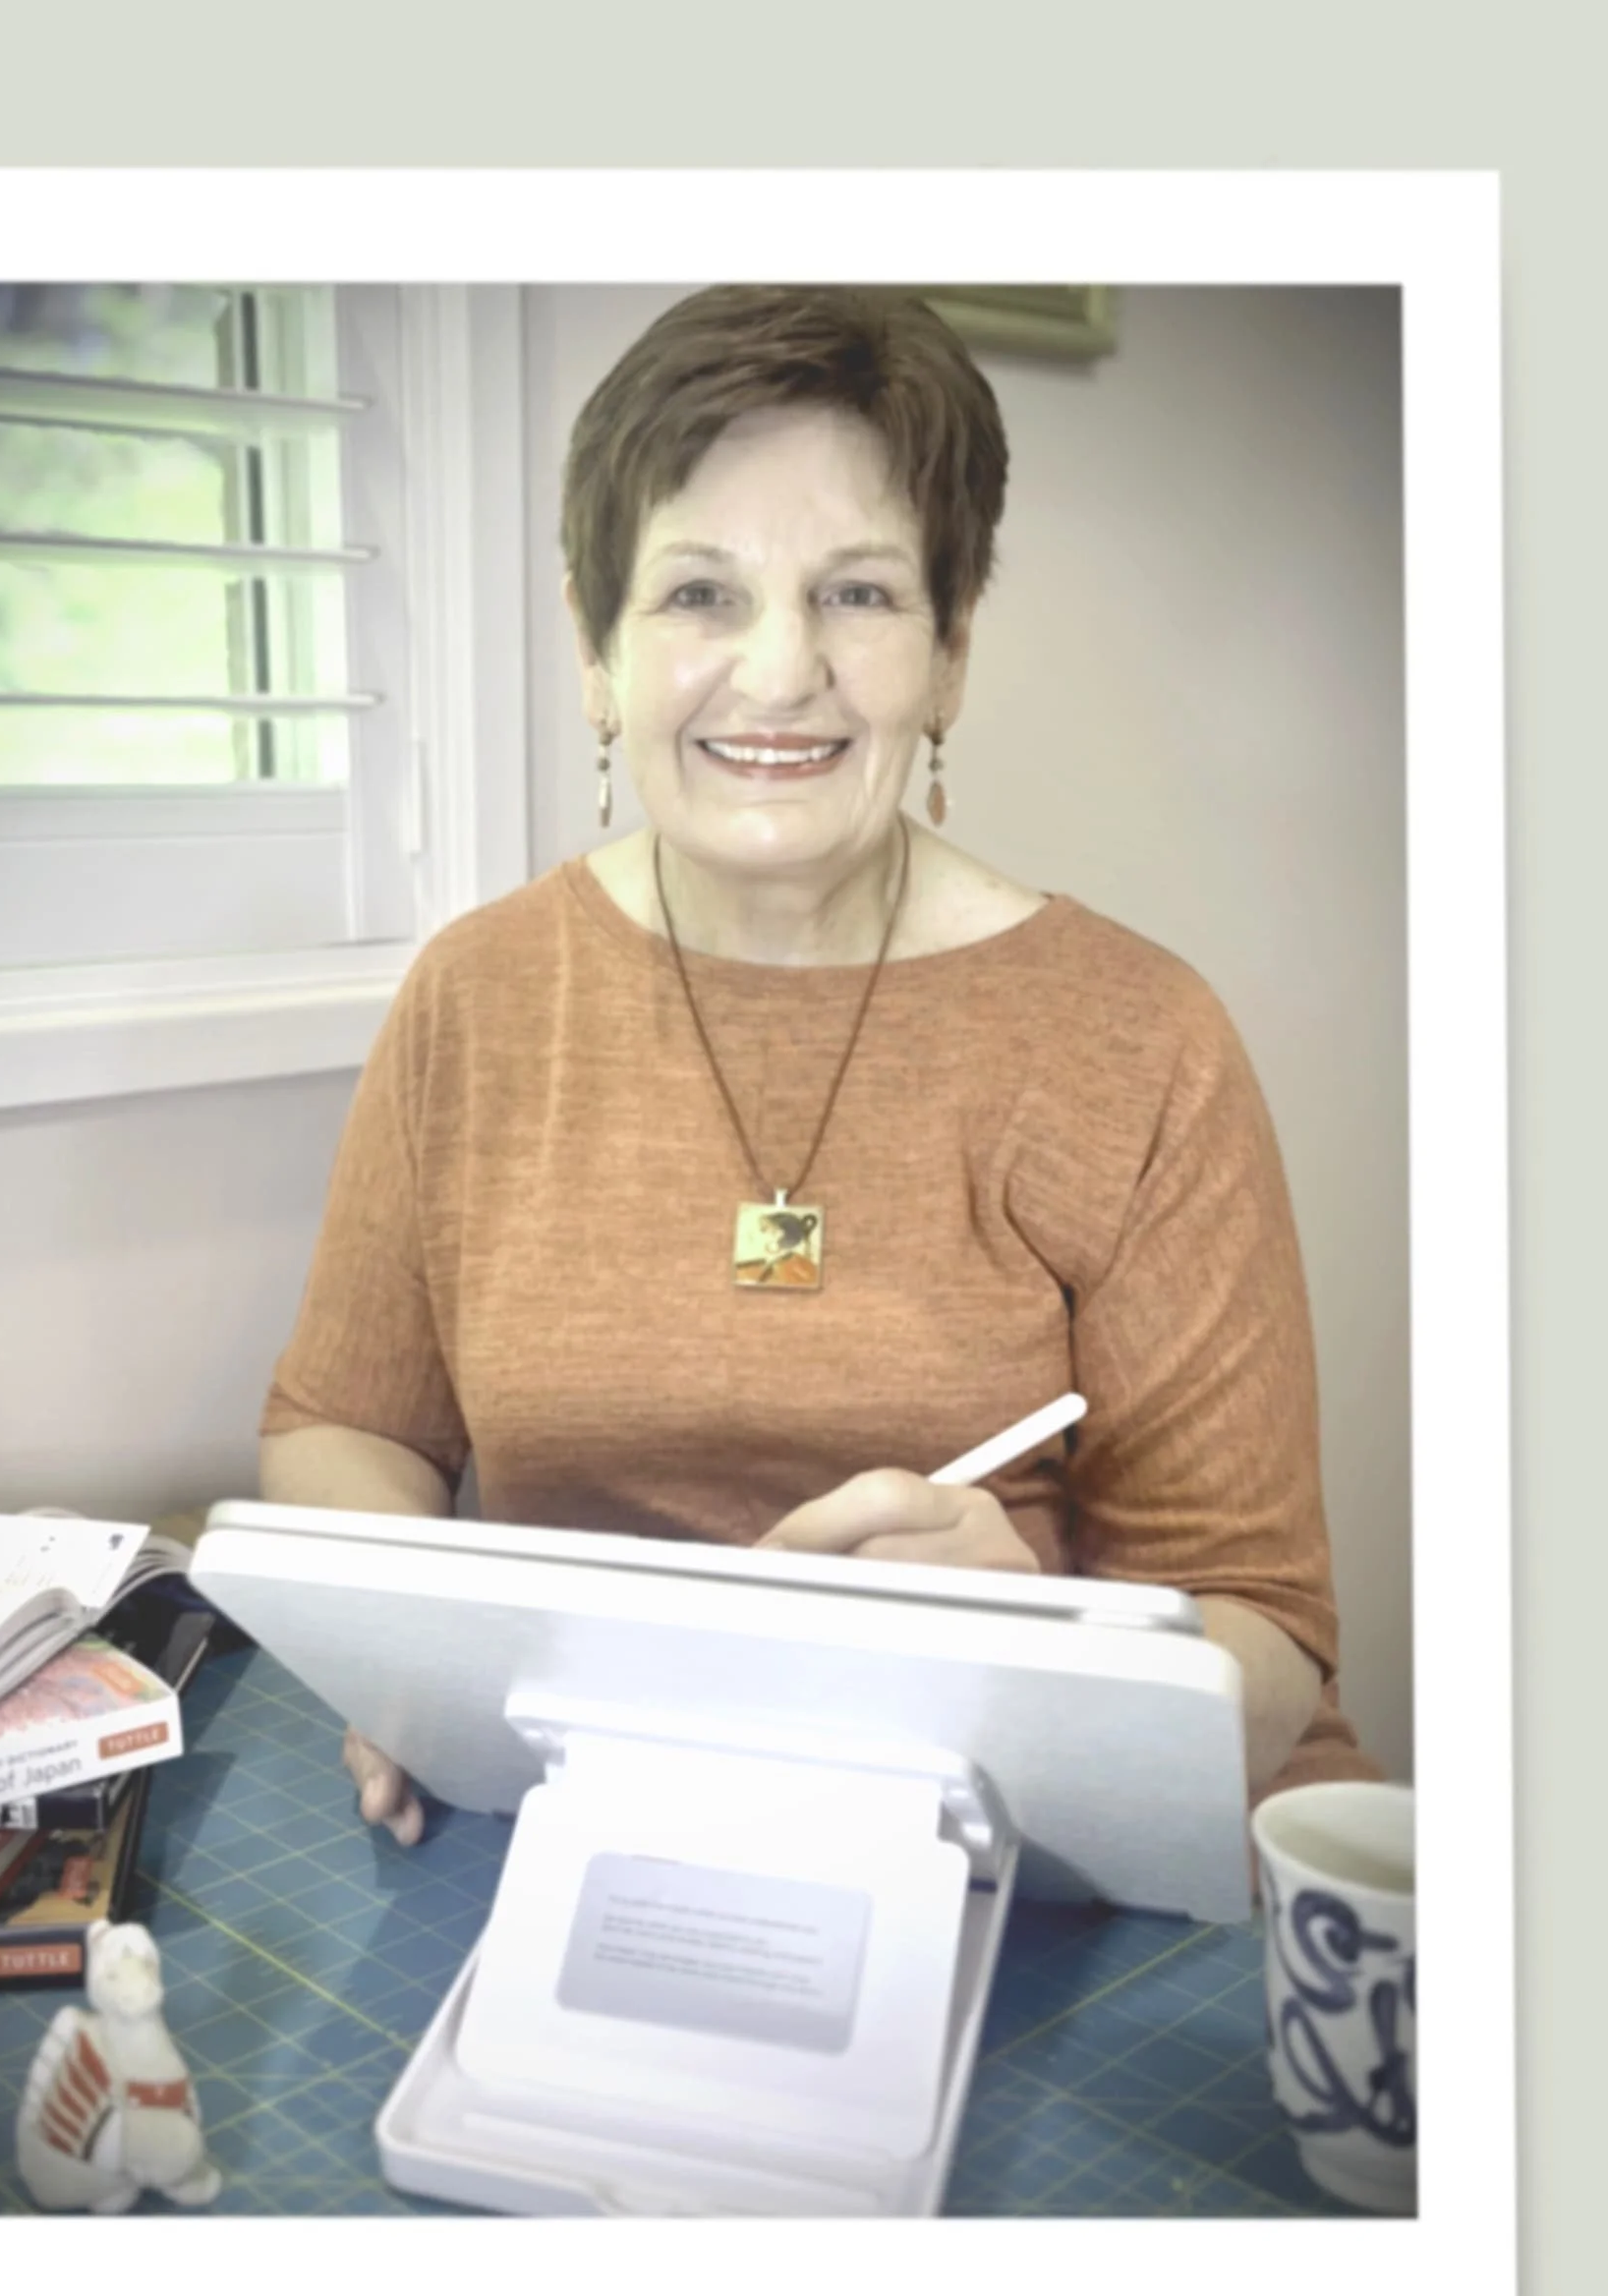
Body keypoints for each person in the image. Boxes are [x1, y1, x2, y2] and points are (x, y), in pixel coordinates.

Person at [259, 283, 1380, 1845]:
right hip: (595, 1813)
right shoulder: (474, 997)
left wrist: (1046, 1650)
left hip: (1046, 1844)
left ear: (951, 656)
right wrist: (411, 1658)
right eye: (699, 595)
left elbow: (1265, 1629)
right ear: (595, 652)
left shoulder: (1144, 1041)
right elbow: (341, 1425)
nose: (779, 673)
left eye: (857, 595)